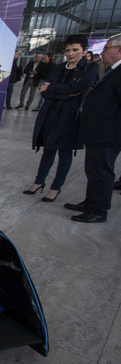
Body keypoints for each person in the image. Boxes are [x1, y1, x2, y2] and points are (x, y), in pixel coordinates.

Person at [24, 35, 98, 202]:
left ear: (84, 50)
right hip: (50, 112)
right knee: (48, 149)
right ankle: (39, 181)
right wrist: (67, 93)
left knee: (64, 153)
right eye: (67, 50)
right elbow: (44, 90)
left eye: (75, 50)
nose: (70, 54)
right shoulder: (58, 68)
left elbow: (81, 87)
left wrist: (55, 89)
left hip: (71, 117)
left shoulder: (89, 68)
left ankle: (56, 187)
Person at [64, 34, 121, 223]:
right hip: (98, 133)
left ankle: (98, 210)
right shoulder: (112, 70)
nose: (103, 52)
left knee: (102, 171)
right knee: (93, 170)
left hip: (108, 134)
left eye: (106, 48)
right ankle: (90, 202)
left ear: (119, 50)